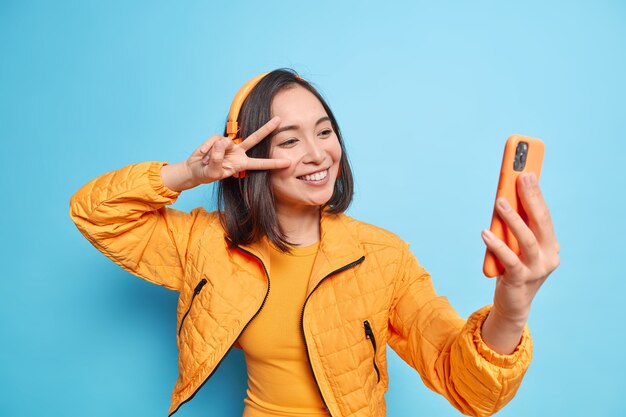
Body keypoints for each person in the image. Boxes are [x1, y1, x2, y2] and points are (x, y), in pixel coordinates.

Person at [69, 69, 560, 417]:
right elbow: (95, 213)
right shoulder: (207, 243)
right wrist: (191, 172)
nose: (317, 152)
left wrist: (512, 309)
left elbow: (471, 390)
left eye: (324, 132)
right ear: (250, 159)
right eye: (289, 141)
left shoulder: (383, 256)